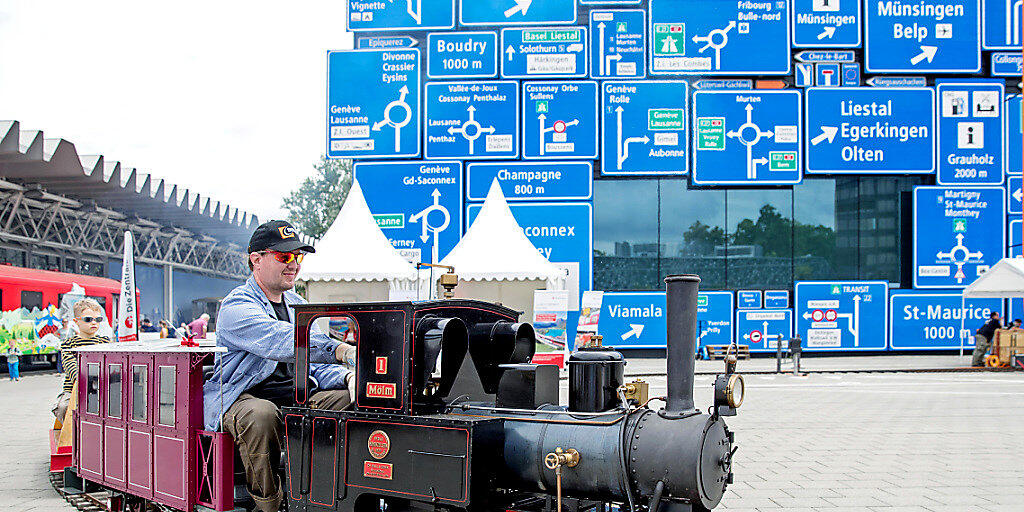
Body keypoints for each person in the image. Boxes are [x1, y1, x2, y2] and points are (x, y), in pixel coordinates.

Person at [202, 220, 355, 512]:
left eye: (298, 257)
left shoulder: (298, 304)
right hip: (243, 396)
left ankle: (324, 494)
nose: (293, 265)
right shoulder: (236, 306)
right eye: (284, 256)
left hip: (296, 394)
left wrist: (348, 377)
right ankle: (269, 504)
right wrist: (340, 350)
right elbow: (280, 340)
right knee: (261, 415)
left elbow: (314, 361)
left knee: (358, 399)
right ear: (256, 260)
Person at [53, 299, 111, 419]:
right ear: (76, 321)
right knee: (63, 406)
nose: (94, 322)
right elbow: (71, 367)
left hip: (101, 387)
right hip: (74, 388)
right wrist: (84, 379)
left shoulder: (105, 342)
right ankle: (69, 435)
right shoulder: (68, 344)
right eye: (88, 319)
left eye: (98, 319)